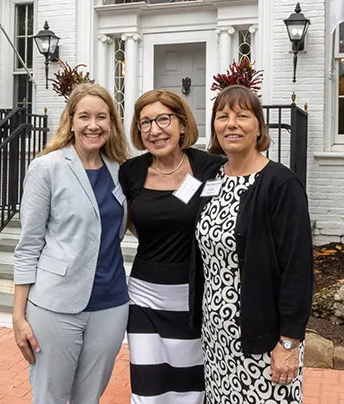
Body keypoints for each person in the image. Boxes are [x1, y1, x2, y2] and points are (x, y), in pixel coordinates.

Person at [191, 85, 314, 403]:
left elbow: (297, 270)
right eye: (223, 116)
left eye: (242, 116)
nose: (231, 123)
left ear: (259, 127)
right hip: (216, 338)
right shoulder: (212, 179)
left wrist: (289, 342)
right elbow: (173, 205)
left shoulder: (280, 184)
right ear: (215, 128)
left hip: (262, 338)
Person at [12, 83, 130, 404]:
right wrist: (19, 316)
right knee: (50, 397)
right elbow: (29, 245)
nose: (93, 125)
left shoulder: (121, 171)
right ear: (71, 121)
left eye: (102, 117)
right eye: (85, 117)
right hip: (55, 305)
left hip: (112, 304)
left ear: (111, 123)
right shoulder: (47, 168)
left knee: (88, 398)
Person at [119, 89, 223, 404]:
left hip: (193, 298)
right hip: (144, 296)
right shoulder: (131, 172)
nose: (154, 130)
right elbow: (123, 222)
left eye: (163, 119)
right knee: (148, 388)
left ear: (181, 123)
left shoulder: (210, 168)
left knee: (190, 388)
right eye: (145, 122)